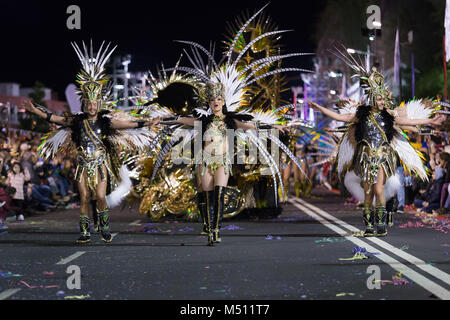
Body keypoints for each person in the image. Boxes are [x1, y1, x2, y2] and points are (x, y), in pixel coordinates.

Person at [23, 41, 159, 243]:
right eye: (89, 103)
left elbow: (128, 123)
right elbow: (55, 119)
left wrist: (147, 122)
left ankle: (104, 225)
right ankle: (85, 231)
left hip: (100, 164)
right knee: (85, 198)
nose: (92, 106)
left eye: (95, 103)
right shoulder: (76, 121)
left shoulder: (106, 121)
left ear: (98, 104)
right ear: (85, 103)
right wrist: (36, 111)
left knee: (100, 197)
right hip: (82, 165)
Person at [308, 63, 445, 237]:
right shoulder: (361, 115)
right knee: (367, 191)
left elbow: (408, 122)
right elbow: (340, 117)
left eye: (383, 99)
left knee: (379, 190)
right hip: (365, 158)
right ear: (372, 98)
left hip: (381, 156)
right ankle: (368, 225)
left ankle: (380, 223)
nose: (382, 102)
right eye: (379, 99)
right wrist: (320, 108)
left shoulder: (389, 115)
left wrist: (430, 121)